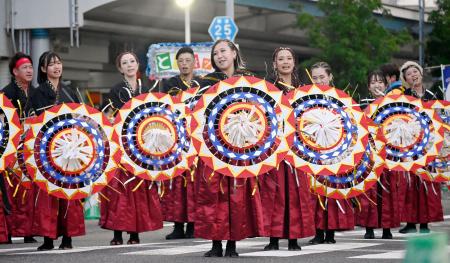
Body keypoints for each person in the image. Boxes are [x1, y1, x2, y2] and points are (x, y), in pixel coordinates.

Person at [194, 39, 265, 257]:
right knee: (212, 192)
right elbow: (197, 112)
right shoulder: (206, 83)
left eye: (223, 51)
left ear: (234, 53)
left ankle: (233, 243)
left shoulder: (249, 80)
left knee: (237, 193)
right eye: (216, 53)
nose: (220, 56)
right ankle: (215, 243)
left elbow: (260, 108)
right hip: (213, 145)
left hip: (239, 144)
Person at [99, 51, 163, 245]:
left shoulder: (148, 89)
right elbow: (104, 114)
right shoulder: (115, 89)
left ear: (138, 65)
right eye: (124, 63)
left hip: (142, 144)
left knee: (139, 187)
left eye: (132, 61)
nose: (129, 65)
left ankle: (135, 232)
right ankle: (117, 232)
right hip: (120, 143)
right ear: (120, 68)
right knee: (118, 187)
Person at [260, 47, 314, 251]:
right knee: (273, 192)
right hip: (273, 148)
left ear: (294, 62)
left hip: (298, 148)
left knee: (296, 192)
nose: (285, 62)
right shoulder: (267, 88)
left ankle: (294, 238)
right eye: (280, 59)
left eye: (289, 58)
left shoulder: (304, 89)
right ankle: (273, 238)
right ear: (274, 64)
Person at [29, 51, 85, 250]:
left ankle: (68, 237)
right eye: (51, 64)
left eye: (58, 63)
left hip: (70, 149)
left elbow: (82, 117)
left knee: (68, 192)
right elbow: (33, 124)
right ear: (43, 69)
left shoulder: (70, 90)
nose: (56, 67)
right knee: (48, 194)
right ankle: (48, 238)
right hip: (47, 150)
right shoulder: (37, 93)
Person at [391, 61, 443, 234]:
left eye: (416, 71)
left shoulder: (432, 95)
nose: (413, 75)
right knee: (410, 184)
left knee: (426, 182)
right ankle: (411, 222)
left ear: (421, 74)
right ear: (405, 79)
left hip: (428, 144)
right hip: (410, 145)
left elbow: (439, 118)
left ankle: (425, 223)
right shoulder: (403, 96)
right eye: (409, 74)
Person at [308, 62, 355, 244]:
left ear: (330, 77)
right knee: (316, 190)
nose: (319, 81)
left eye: (322, 77)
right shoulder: (307, 98)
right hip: (313, 148)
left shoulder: (341, 98)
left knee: (332, 188)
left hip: (336, 148)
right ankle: (318, 232)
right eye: (315, 78)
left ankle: (331, 233)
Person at [160, 47, 200, 240]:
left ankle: (193, 224)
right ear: (178, 64)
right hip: (175, 138)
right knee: (175, 182)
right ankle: (177, 225)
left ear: (195, 62)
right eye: (181, 61)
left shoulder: (203, 83)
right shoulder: (169, 83)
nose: (184, 63)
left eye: (188, 60)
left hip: (196, 139)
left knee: (193, 182)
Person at [355, 70, 400, 239]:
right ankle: (369, 227)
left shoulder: (393, 104)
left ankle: (387, 228)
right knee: (369, 190)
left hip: (388, 154)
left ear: (386, 85)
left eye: (380, 82)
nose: (377, 85)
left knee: (387, 190)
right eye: (373, 82)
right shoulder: (361, 105)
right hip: (368, 155)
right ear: (368, 86)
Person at [1, 52, 37, 244]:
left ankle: (27, 230)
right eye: (25, 67)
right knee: (12, 189)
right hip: (13, 148)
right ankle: (9, 230)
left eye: (30, 67)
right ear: (15, 71)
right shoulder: (6, 93)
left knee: (28, 188)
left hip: (29, 148)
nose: (29, 70)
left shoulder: (34, 92)